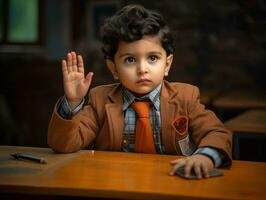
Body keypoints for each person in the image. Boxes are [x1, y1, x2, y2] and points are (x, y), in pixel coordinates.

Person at [48, 4, 232, 179]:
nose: (142, 69)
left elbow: (217, 133)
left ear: (167, 64)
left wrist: (205, 157)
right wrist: (72, 102)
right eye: (130, 60)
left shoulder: (186, 97)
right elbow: (64, 145)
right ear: (113, 68)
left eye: (152, 58)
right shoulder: (100, 100)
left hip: (171, 184)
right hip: (113, 185)